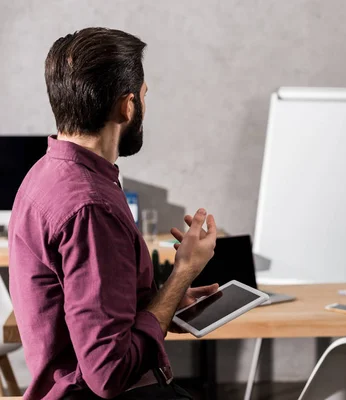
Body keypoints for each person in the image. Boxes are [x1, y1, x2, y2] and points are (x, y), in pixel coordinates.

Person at [9, 28, 218, 399]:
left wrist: (164, 303)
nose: (144, 107)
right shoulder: (91, 207)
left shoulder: (46, 173)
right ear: (127, 106)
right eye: (144, 96)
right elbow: (109, 374)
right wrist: (184, 270)